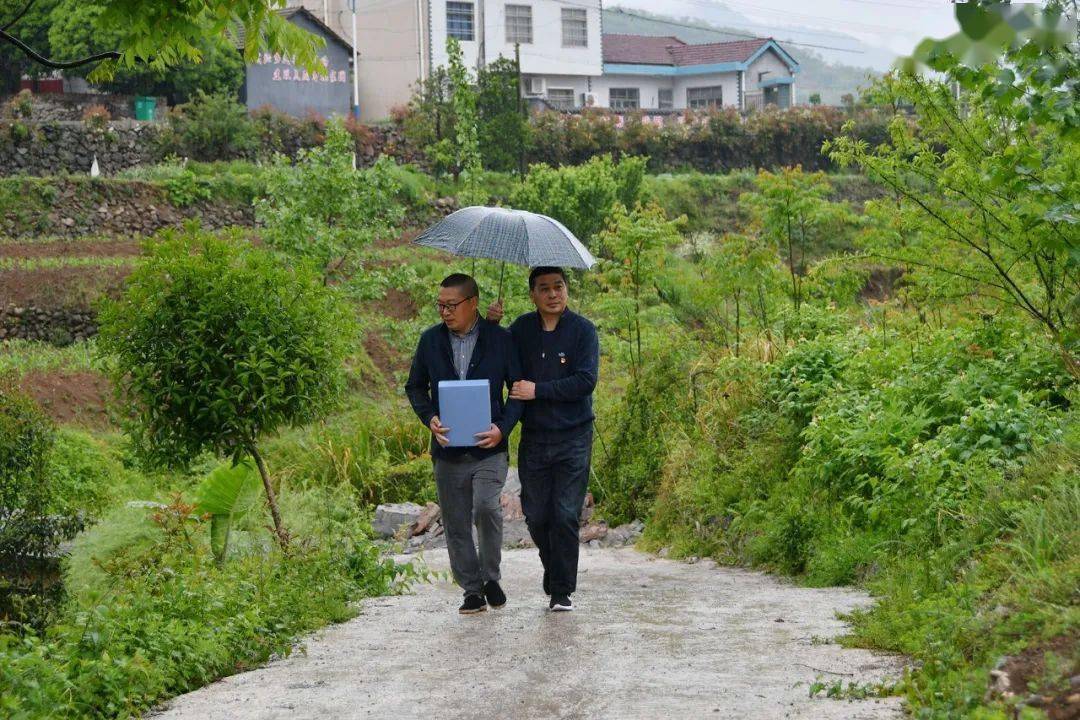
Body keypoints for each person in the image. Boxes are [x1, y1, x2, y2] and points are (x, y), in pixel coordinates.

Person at [405, 273, 522, 615]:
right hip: (447, 448)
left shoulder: (500, 339)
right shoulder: (430, 341)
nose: (444, 311)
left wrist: (503, 429)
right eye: (440, 305)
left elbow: (517, 390)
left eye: (451, 305)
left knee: (486, 507)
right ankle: (472, 590)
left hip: (490, 447)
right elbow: (415, 387)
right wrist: (429, 418)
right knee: (455, 522)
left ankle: (491, 577)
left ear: (472, 304)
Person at [506, 267, 599, 612]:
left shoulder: (583, 331)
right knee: (536, 515)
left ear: (567, 290)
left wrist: (538, 390)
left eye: (558, 287)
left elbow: (585, 381)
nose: (552, 294)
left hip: (574, 435)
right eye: (544, 288)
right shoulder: (519, 330)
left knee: (564, 514)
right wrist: (490, 323)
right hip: (535, 437)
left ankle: (561, 591)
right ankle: (554, 570)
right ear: (533, 295)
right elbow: (501, 361)